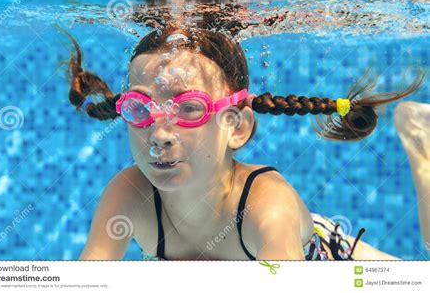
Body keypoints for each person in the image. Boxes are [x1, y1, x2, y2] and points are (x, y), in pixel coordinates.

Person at [59, 25, 427, 260]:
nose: (159, 135)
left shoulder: (268, 205)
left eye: (188, 108)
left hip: (333, 261)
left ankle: (423, 150)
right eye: (140, 108)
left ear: (236, 126)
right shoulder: (128, 193)